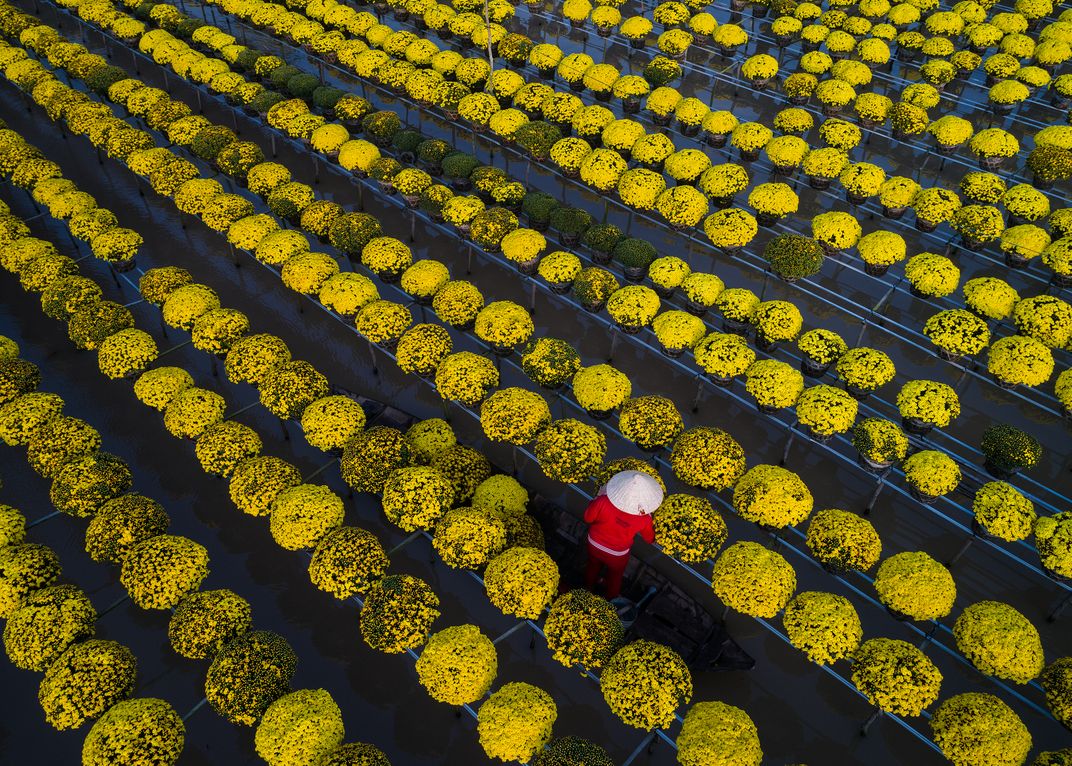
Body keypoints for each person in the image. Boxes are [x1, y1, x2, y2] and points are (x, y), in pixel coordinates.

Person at [582, 470, 663, 600]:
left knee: (592, 565)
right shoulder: (645, 518)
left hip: (595, 543)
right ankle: (611, 598)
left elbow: (588, 518)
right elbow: (649, 539)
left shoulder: (603, 501)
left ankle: (588, 588)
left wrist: (596, 498)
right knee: (615, 576)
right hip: (617, 554)